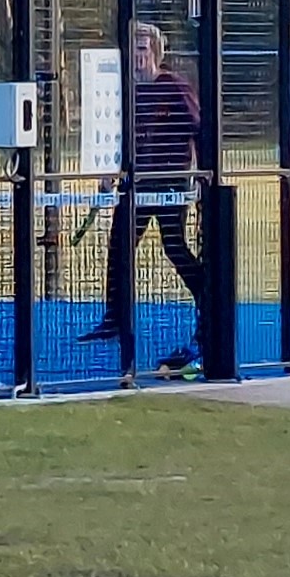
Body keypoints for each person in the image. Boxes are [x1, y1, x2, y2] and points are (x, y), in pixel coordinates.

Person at [80, 18, 214, 373]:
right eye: (132, 48)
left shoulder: (175, 87)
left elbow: (199, 129)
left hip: (170, 183)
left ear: (155, 51)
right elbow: (116, 137)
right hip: (136, 185)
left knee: (174, 247)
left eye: (142, 48)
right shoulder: (123, 91)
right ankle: (114, 320)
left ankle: (209, 301)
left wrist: (201, 174)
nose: (137, 55)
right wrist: (110, 172)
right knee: (119, 246)